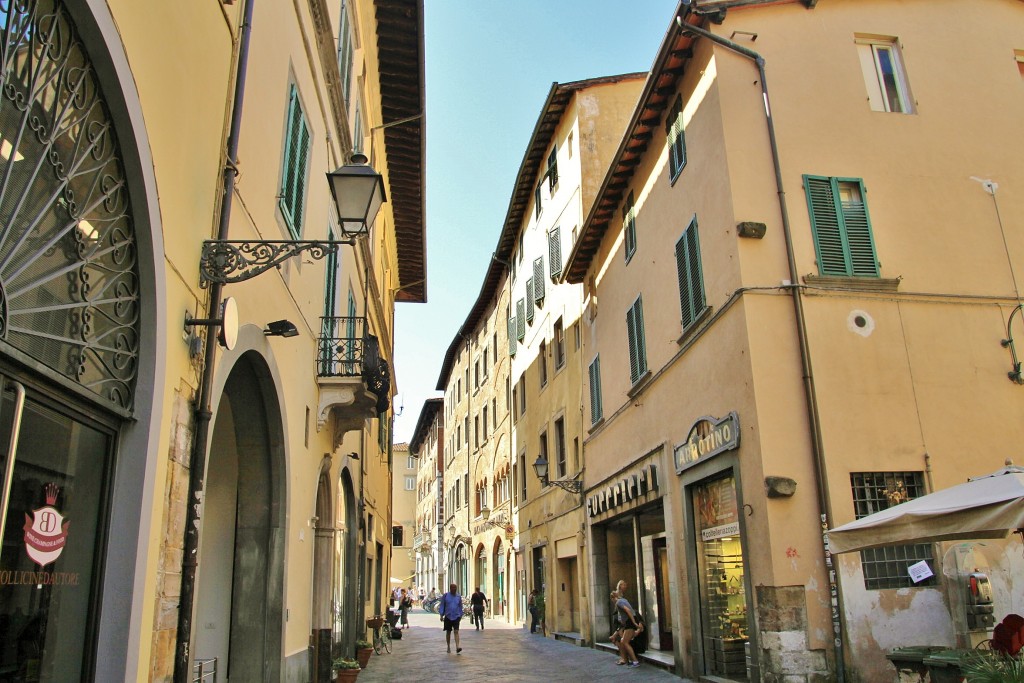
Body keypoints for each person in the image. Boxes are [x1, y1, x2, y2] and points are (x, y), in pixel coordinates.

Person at [610, 590, 643, 667]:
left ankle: (635, 661)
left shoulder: (618, 602)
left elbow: (628, 610)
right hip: (629, 622)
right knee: (623, 641)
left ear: (613, 598)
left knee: (625, 642)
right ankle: (632, 660)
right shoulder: (624, 600)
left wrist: (634, 622)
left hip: (629, 622)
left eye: (612, 599)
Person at [439, 583, 464, 654]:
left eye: (455, 588)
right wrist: (441, 614)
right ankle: (448, 646)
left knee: (456, 631)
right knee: (448, 632)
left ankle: (457, 647)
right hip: (448, 616)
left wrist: (460, 614)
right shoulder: (446, 596)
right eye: (453, 588)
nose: (454, 589)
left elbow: (460, 606)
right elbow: (442, 605)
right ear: (450, 588)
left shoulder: (458, 596)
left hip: (456, 616)